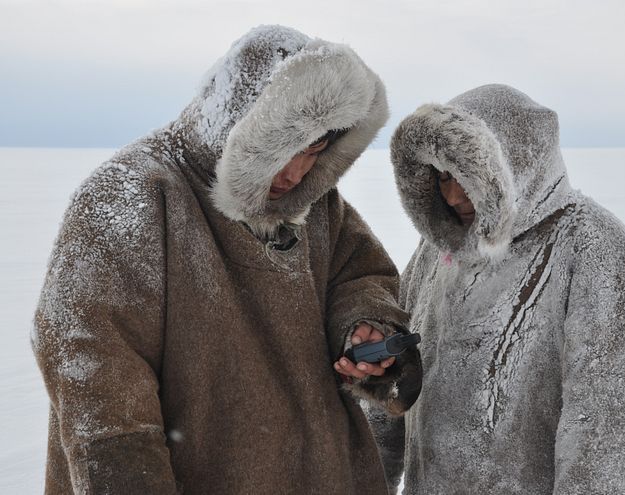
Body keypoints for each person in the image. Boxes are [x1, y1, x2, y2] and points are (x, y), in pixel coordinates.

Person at [32, 25, 421, 495]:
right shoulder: (131, 194)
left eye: (314, 150)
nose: (297, 172)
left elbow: (361, 275)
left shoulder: (316, 202)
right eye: (285, 147)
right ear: (241, 125)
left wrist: (365, 329)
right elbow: (95, 377)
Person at [371, 84, 625, 494]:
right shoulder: (440, 248)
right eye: (444, 175)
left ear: (517, 163)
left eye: (469, 175)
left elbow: (605, 432)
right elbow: (392, 384)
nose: (454, 194)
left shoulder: (589, 246)